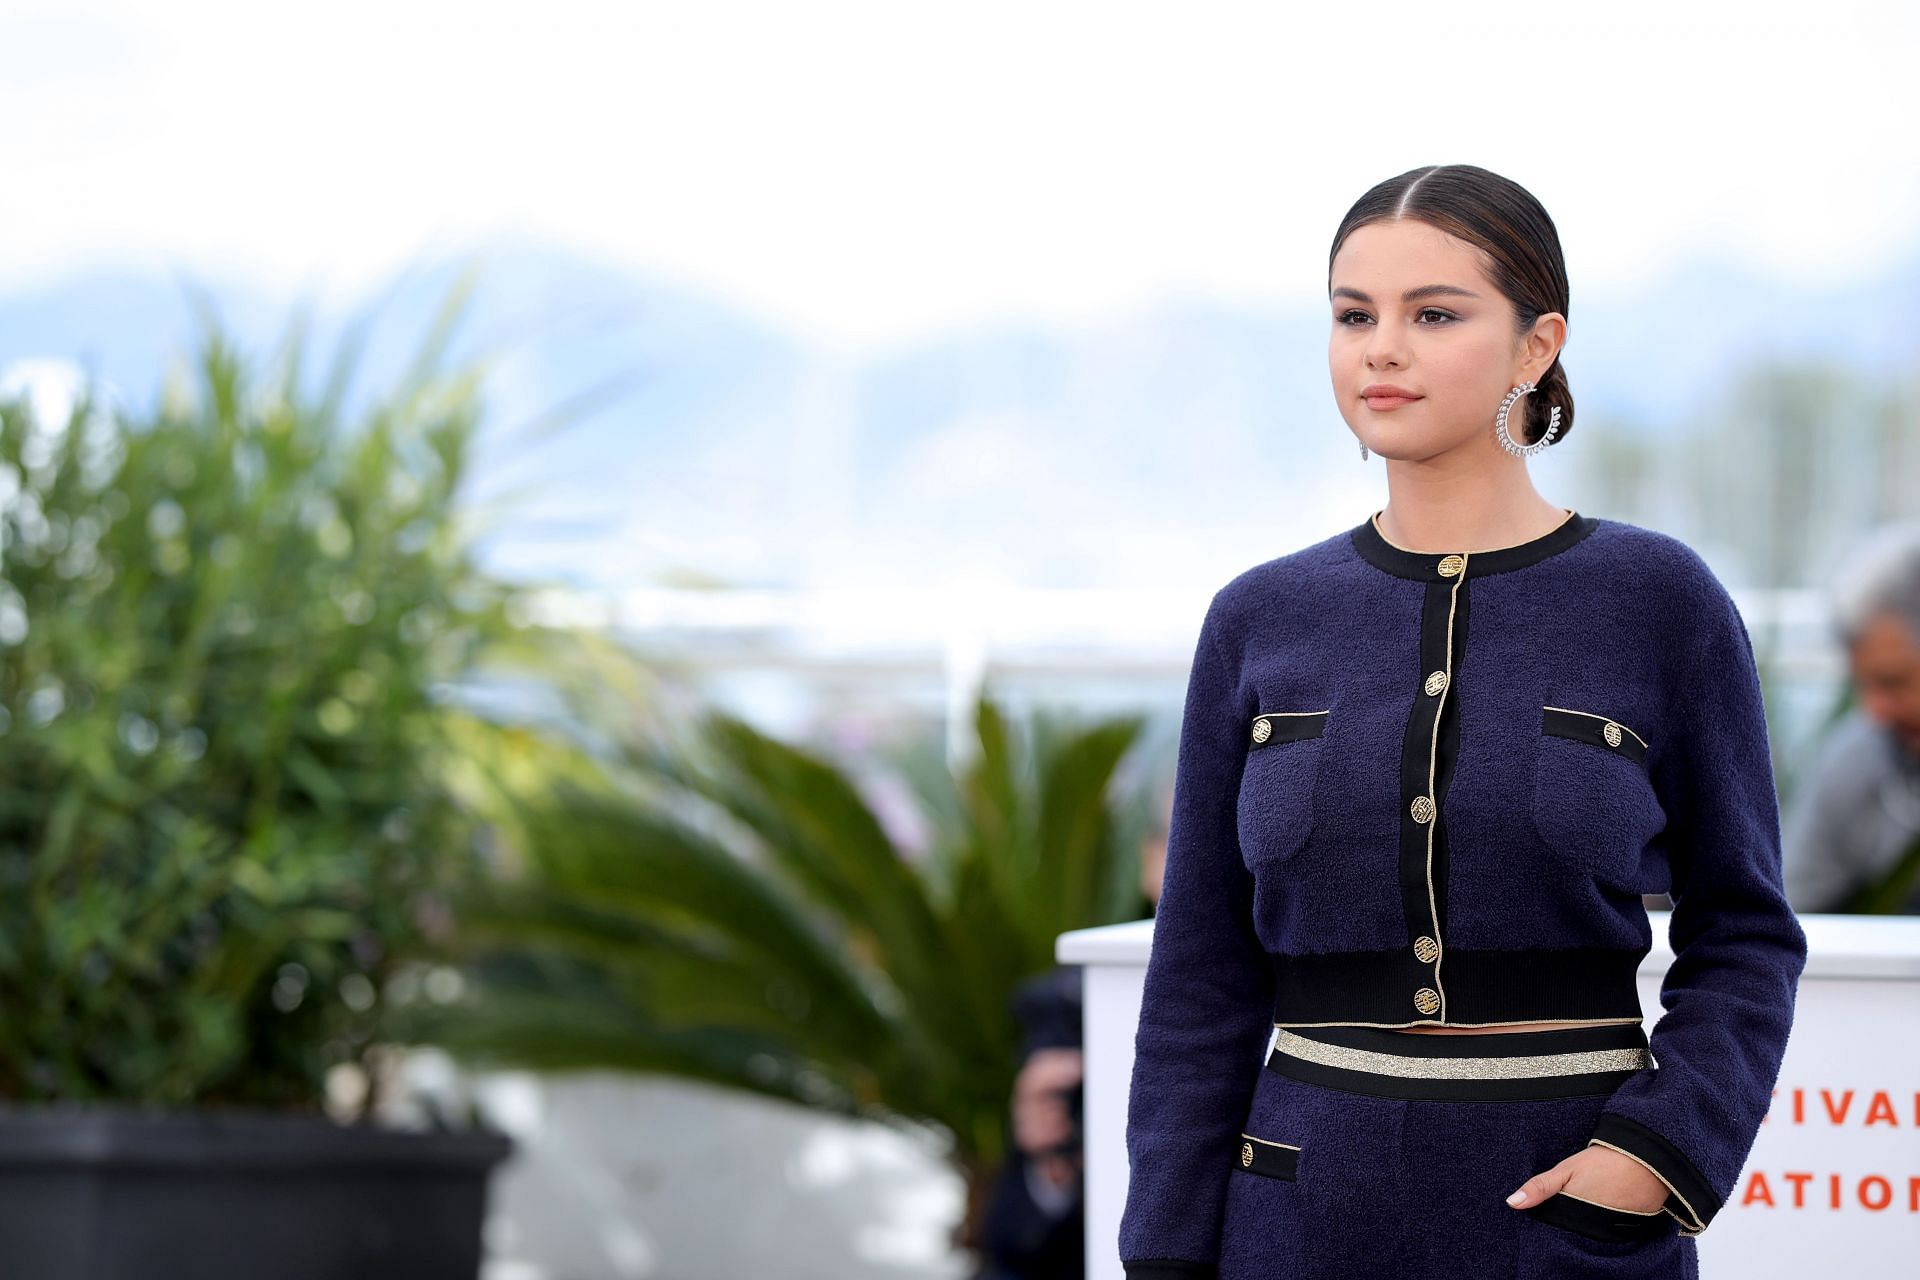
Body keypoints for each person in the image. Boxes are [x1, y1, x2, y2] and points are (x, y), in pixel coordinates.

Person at [1116, 165, 1807, 1280]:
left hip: (1564, 1220)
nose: (1380, 348)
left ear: (1537, 345)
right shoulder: (1259, 618)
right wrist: (1164, 1252)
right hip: (1293, 1222)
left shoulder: (1661, 602)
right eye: (1354, 315)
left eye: (1433, 313)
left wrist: (1655, 1152)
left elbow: (1746, 932)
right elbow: (1199, 971)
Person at [1780, 519, 1920, 913]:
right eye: (1863, 685)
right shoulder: (1858, 758)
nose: (1874, 710)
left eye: (1893, 682)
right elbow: (1787, 914)